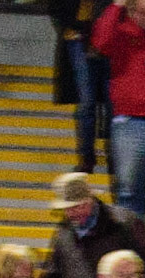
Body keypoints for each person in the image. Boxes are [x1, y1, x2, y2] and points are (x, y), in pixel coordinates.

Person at [92, 0, 145, 218]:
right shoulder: (120, 34)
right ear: (130, 12)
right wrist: (117, 5)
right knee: (128, 192)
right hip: (130, 121)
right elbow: (100, 42)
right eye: (140, 11)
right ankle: (130, 240)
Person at [46, 171, 145, 278]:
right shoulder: (63, 233)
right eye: (67, 209)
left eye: (78, 206)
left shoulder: (125, 223)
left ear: (90, 200)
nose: (73, 213)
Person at [50, 0, 112, 175]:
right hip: (80, 36)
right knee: (87, 103)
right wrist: (69, 26)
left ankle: (111, 154)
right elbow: (56, 7)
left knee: (112, 103)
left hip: (108, 36)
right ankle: (87, 157)